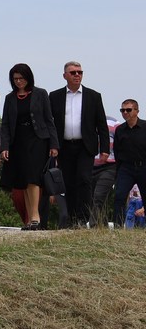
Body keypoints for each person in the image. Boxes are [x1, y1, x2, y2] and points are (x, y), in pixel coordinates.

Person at [49, 62, 110, 227]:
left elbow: (101, 124)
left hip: (85, 146)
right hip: (64, 146)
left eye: (80, 72)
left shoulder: (93, 96)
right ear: (65, 76)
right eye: (73, 72)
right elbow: (50, 123)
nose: (77, 75)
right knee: (68, 182)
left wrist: (104, 149)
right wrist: (52, 145)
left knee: (84, 180)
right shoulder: (55, 96)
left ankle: (83, 218)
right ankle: (72, 218)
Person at [0, 63, 58, 230]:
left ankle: (35, 217)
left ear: (28, 78)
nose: (18, 81)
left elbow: (49, 120)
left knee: (33, 178)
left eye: (21, 78)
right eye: (15, 79)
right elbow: (5, 124)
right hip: (17, 142)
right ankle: (29, 218)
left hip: (38, 140)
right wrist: (4, 147)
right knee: (23, 180)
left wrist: (54, 144)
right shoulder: (10, 98)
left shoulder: (41, 94)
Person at [112, 100, 146, 227]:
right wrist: (118, 171)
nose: (125, 112)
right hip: (126, 168)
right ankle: (118, 226)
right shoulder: (120, 130)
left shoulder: (145, 127)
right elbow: (117, 151)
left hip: (143, 167)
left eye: (128, 110)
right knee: (119, 196)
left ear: (137, 111)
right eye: (122, 110)